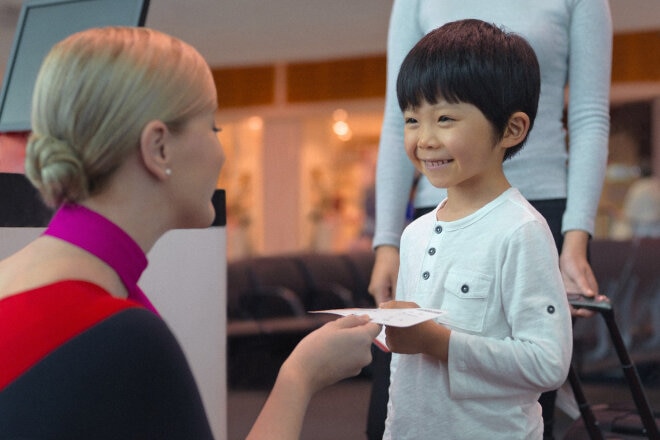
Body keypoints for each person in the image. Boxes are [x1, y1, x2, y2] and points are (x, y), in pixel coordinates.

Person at [0, 26, 381, 439]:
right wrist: (300, 377)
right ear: (158, 147)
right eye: (213, 127)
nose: (221, 153)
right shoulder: (120, 335)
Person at [367, 1, 612, 438]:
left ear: (514, 129)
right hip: (435, 203)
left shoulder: (524, 232)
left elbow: (589, 114)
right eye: (414, 121)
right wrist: (386, 241)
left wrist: (575, 237)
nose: (424, 137)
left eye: (443, 118)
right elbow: (393, 119)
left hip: (545, 200)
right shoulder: (416, 235)